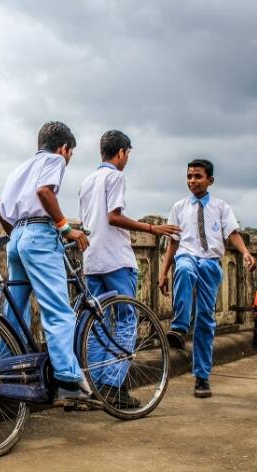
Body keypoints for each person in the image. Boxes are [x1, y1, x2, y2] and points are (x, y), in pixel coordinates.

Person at [78, 130, 180, 407]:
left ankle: (93, 387)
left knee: (96, 324)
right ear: (121, 152)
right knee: (126, 320)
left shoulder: (87, 181)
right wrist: (151, 228)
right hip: (116, 259)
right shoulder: (116, 177)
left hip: (91, 260)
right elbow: (114, 216)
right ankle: (113, 384)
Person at [0, 121, 93, 405]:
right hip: (40, 233)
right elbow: (45, 191)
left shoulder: (19, 168)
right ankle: (68, 381)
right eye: (70, 154)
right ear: (64, 148)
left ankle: (6, 371)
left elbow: (2, 210)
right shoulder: (54, 159)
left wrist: (18, 237)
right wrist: (65, 228)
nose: (68, 159)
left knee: (15, 309)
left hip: (18, 236)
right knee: (58, 310)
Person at [158, 159, 256, 398]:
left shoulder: (221, 207)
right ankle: (180, 326)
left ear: (210, 180)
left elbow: (232, 233)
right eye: (189, 176)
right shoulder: (179, 207)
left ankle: (202, 377)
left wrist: (245, 253)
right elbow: (173, 242)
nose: (192, 181)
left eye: (198, 176)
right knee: (184, 270)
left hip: (210, 262)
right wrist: (163, 271)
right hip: (187, 256)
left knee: (205, 319)